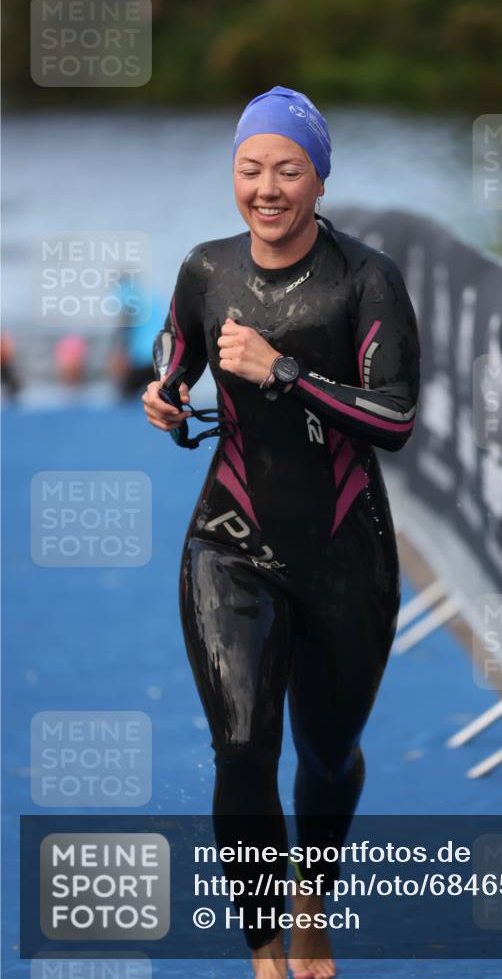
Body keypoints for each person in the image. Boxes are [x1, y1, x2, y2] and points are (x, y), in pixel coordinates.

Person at [142, 86, 420, 979]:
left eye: (288, 170)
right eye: (251, 168)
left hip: (345, 553)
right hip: (229, 540)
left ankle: (311, 904)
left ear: (319, 179)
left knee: (327, 758)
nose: (267, 189)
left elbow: (395, 417)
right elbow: (176, 345)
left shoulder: (366, 278)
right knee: (240, 748)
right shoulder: (205, 268)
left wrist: (284, 371)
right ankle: (263, 949)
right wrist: (165, 390)